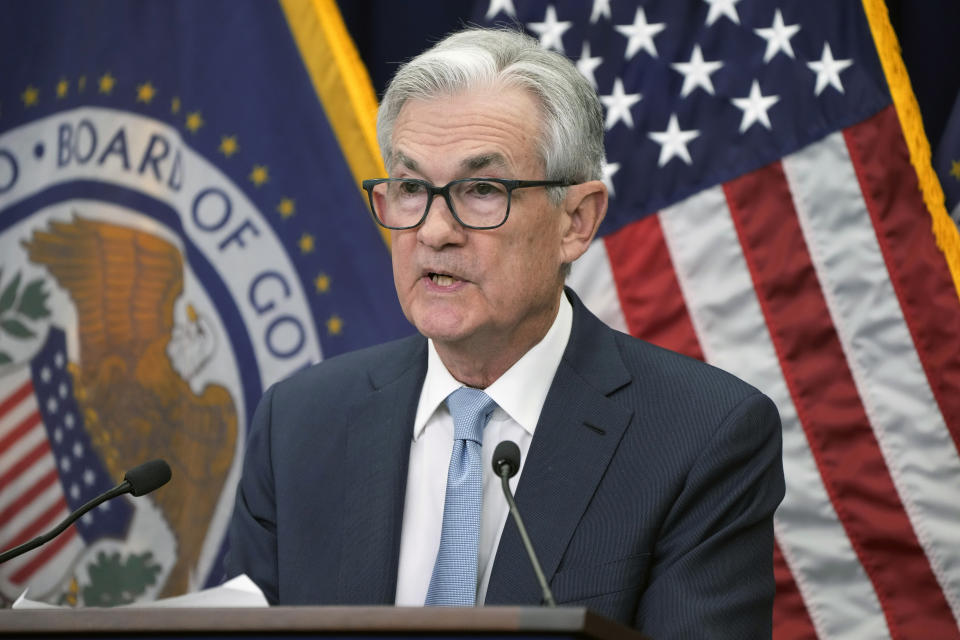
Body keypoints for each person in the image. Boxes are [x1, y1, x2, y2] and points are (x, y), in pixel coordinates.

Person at [227, 27, 784, 638]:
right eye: (412, 188)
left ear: (576, 220)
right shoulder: (299, 423)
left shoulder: (702, 436)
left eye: (482, 190)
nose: (435, 231)